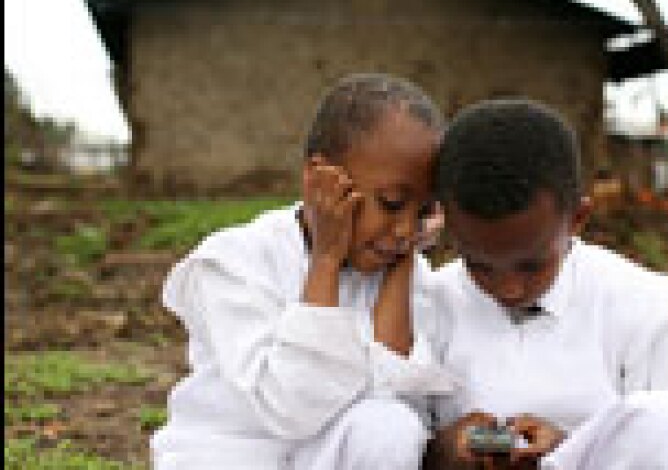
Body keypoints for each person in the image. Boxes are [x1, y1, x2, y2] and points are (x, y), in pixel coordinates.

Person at [150, 73, 456, 470]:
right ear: (319, 179)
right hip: (233, 455)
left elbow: (395, 393)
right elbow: (291, 406)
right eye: (393, 203)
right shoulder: (233, 260)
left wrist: (405, 258)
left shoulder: (406, 269)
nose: (403, 229)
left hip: (321, 455)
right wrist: (326, 261)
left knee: (389, 424)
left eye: (423, 211)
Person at [424, 99, 668, 469]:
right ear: (446, 225)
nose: (509, 289)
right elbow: (400, 439)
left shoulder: (638, 303)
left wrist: (572, 449)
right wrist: (443, 450)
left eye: (531, 266)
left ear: (578, 219)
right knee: (378, 424)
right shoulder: (427, 302)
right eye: (480, 266)